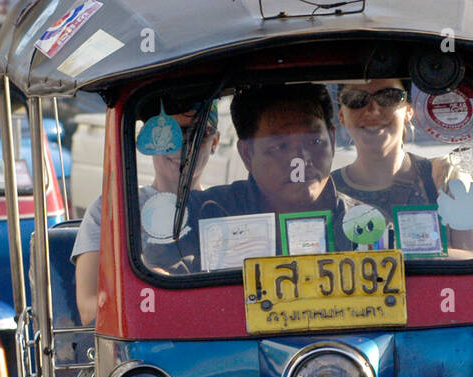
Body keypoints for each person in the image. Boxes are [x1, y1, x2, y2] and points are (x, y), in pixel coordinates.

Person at [147, 83, 359, 274]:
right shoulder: (201, 214)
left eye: (314, 141)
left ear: (332, 140)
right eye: (280, 146)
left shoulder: (363, 223)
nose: (301, 160)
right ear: (247, 154)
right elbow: (158, 273)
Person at [71, 101, 221, 325]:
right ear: (150, 139)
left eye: (199, 134)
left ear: (215, 141)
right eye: (168, 133)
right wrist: (152, 285)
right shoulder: (111, 209)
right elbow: (88, 309)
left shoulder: (222, 208)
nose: (183, 146)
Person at [332, 78, 473, 255]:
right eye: (356, 99)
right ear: (341, 116)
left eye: (389, 97)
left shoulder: (446, 176)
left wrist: (388, 256)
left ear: (408, 111)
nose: (373, 109)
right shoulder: (328, 191)